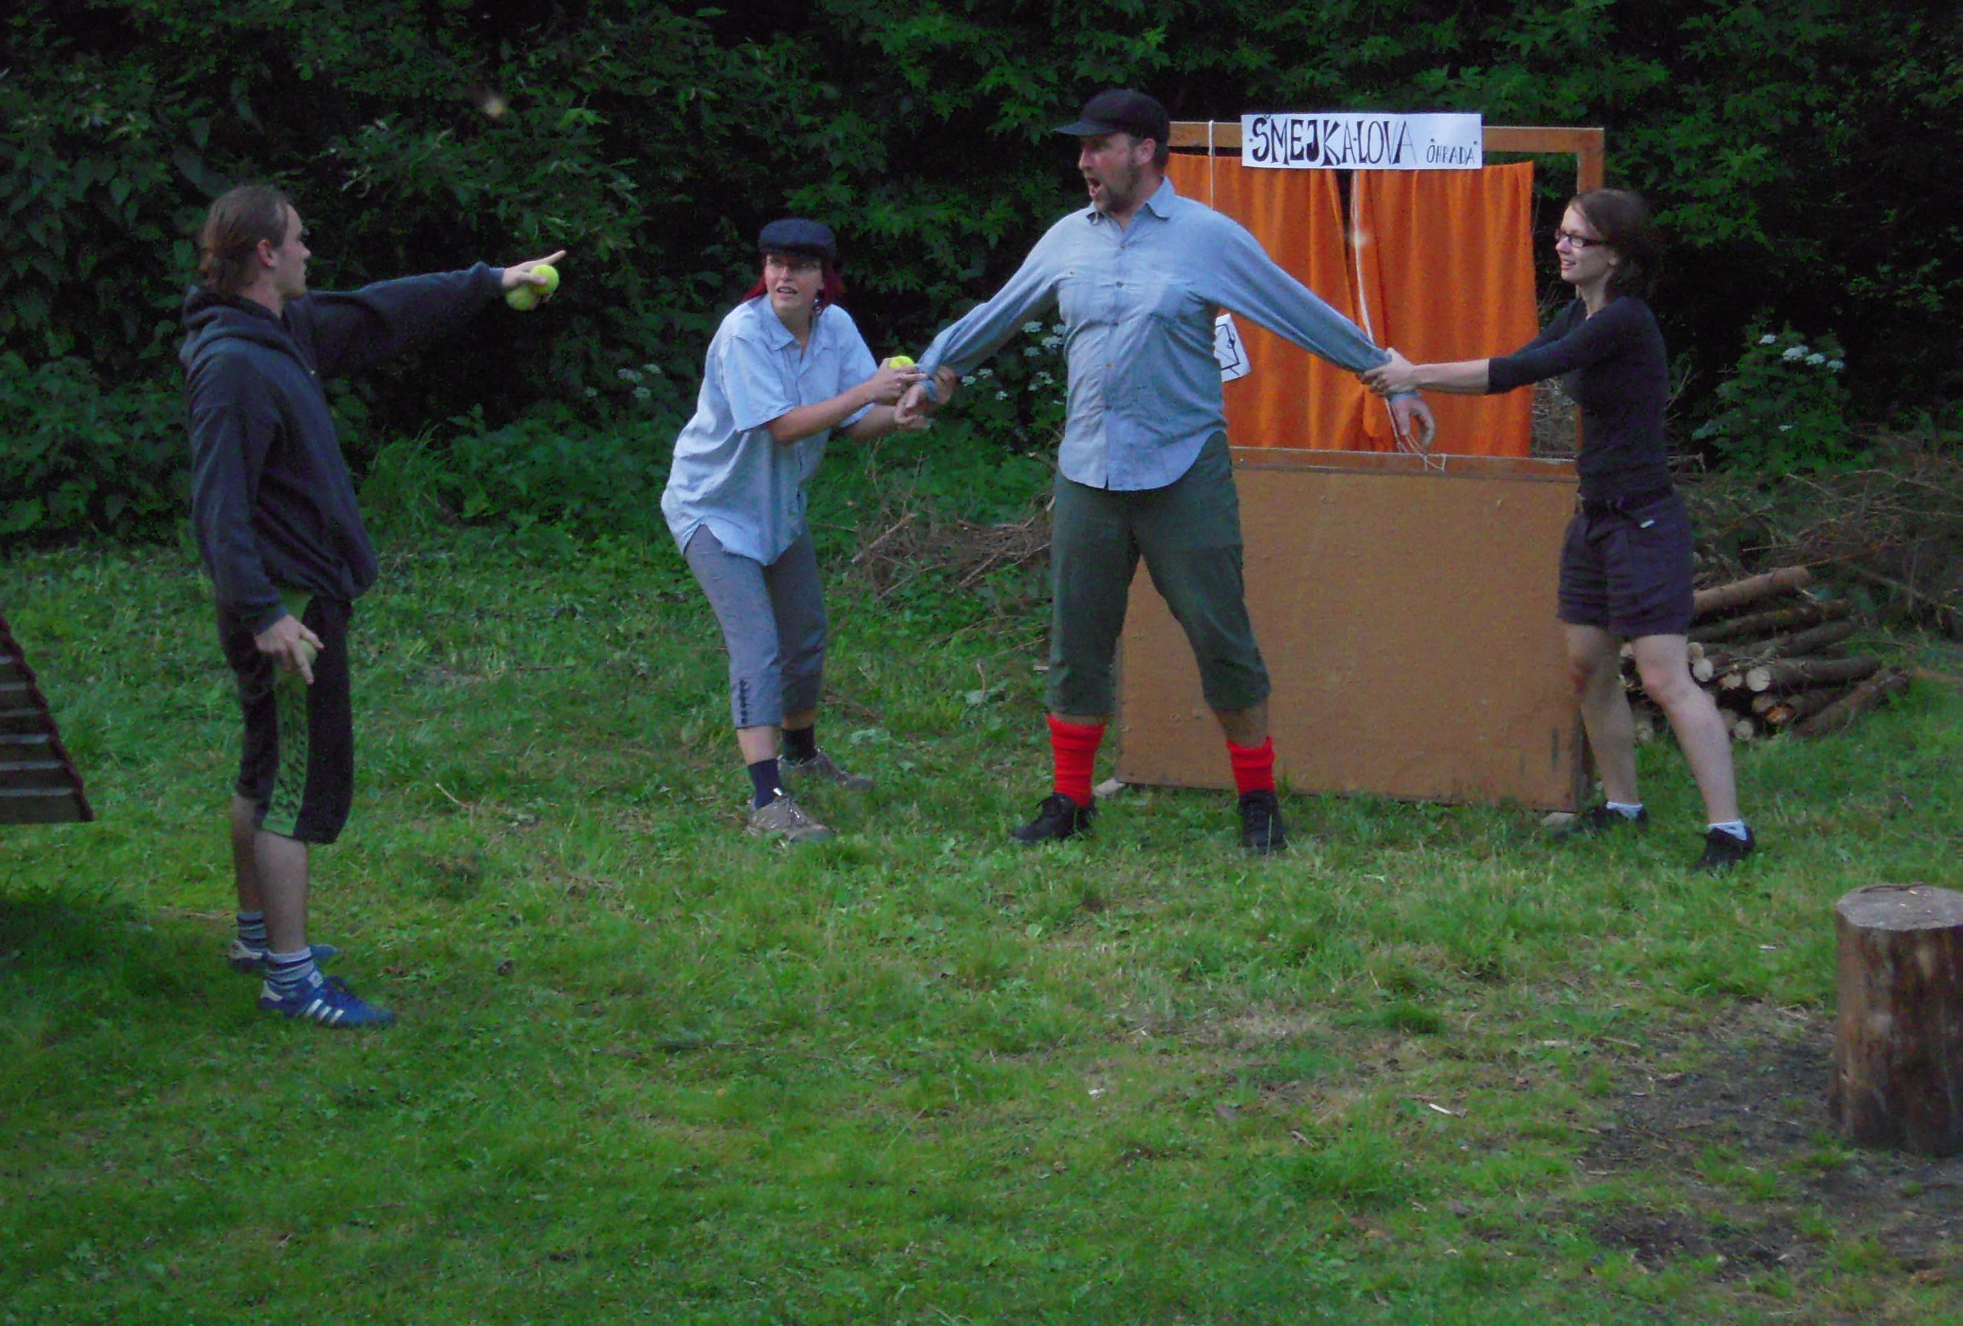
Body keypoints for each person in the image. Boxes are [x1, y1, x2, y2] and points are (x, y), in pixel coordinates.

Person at [899, 89, 1435, 853]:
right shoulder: (1066, 240)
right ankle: (1070, 802)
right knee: (1077, 643)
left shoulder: (1207, 238)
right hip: (1088, 472)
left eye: (1099, 146)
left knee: (1222, 637)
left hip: (1184, 471)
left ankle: (1259, 803)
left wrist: (1389, 378)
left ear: (1146, 150)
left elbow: (1296, 308)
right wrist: (935, 370)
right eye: (1081, 147)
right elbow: (999, 312)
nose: (1083, 161)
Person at [182, 184, 565, 1026]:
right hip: (288, 610)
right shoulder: (233, 366)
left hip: (292, 597)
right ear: (265, 254)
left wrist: (490, 281)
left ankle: (256, 936)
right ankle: (290, 981)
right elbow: (219, 511)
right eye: (299, 238)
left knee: (263, 767)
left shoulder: (280, 330)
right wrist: (265, 616)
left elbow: (382, 312)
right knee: (295, 790)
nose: (309, 250)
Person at [1363, 188, 1755, 872]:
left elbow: (1520, 372)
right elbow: (1517, 360)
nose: (1563, 246)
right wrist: (1410, 386)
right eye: (1562, 234)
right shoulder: (1580, 313)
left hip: (1644, 521)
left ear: (1617, 256)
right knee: (1587, 668)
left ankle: (1730, 831)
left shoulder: (1624, 320)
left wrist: (1412, 373)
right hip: (1596, 517)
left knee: (1664, 678)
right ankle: (1623, 807)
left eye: (1579, 239)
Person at [662, 219, 931, 843]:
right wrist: (869, 391)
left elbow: (856, 422)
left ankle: (804, 757)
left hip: (778, 511)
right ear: (764, 271)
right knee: (757, 647)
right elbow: (784, 427)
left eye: (801, 266)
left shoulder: (834, 328)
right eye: (775, 263)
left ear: (822, 279)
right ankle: (768, 801)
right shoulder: (743, 333)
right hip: (713, 509)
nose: (785, 275)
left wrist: (904, 413)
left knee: (805, 636)